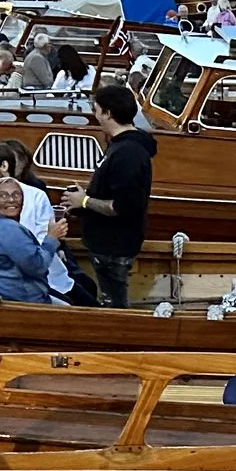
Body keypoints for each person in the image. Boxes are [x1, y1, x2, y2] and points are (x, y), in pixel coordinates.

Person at [76, 83, 154, 307]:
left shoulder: (128, 153)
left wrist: (83, 200)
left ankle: (121, 337)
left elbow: (124, 206)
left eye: (96, 110)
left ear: (108, 113)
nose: (95, 115)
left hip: (113, 246)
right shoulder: (121, 147)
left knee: (115, 304)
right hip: (106, 244)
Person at [0, 177, 65, 304]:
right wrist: (52, 238)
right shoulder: (11, 230)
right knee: (71, 311)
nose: (11, 200)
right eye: (3, 195)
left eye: (16, 195)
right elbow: (38, 266)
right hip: (20, 301)